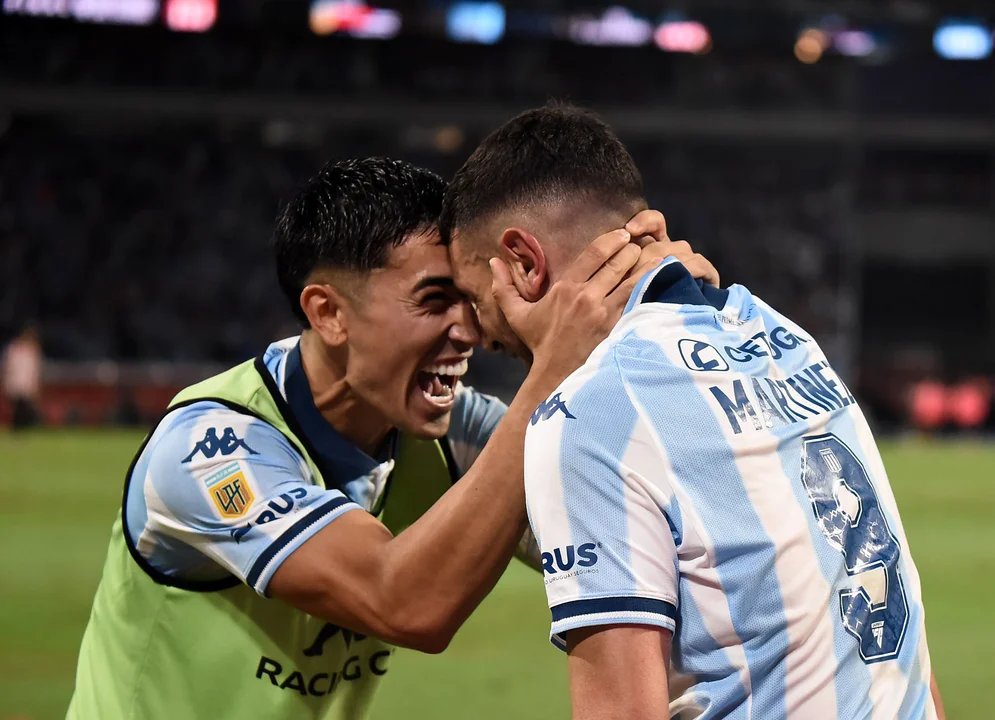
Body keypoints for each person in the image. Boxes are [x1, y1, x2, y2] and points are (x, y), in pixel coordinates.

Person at [67, 157, 717, 720]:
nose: (467, 329)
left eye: (468, 297)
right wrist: (553, 373)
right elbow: (402, 601)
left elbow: (672, 531)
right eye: (434, 300)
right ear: (328, 313)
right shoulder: (210, 449)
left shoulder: (456, 434)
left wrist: (685, 328)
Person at [441, 104, 946, 720]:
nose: (475, 329)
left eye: (473, 294)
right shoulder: (786, 339)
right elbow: (910, 656)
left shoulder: (588, 413)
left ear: (524, 262)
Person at [2, 324, 42, 429]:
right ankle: (18, 428)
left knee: (25, 408)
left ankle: (24, 428)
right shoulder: (14, 349)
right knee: (18, 409)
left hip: (26, 384)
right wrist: (7, 383)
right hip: (16, 383)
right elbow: (9, 368)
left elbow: (34, 371)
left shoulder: (33, 350)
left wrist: (33, 385)